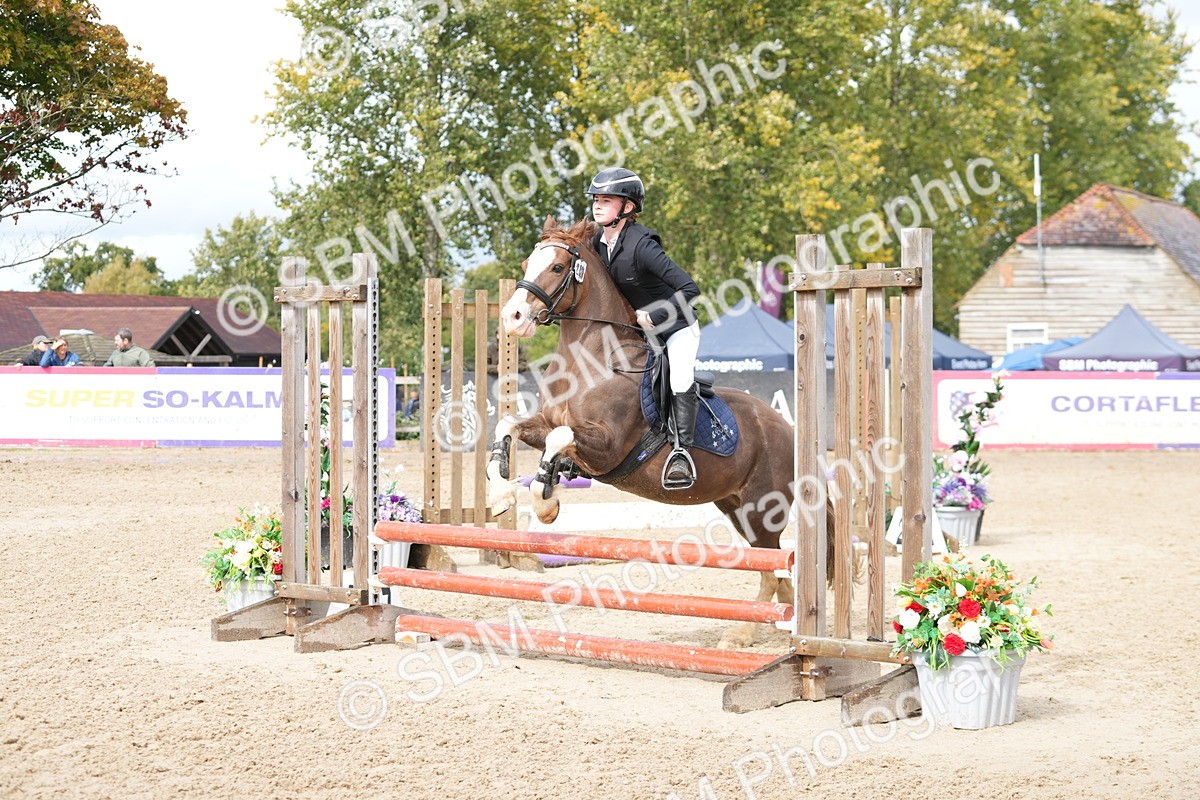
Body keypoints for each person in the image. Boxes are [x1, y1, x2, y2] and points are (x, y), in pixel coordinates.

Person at [586, 166, 702, 490]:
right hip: (640, 335)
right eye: (596, 199)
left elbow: (690, 289)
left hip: (676, 328)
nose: (598, 205)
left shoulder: (642, 245)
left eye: (607, 200)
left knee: (679, 378)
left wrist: (657, 314)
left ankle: (681, 452)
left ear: (628, 207)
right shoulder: (599, 242)